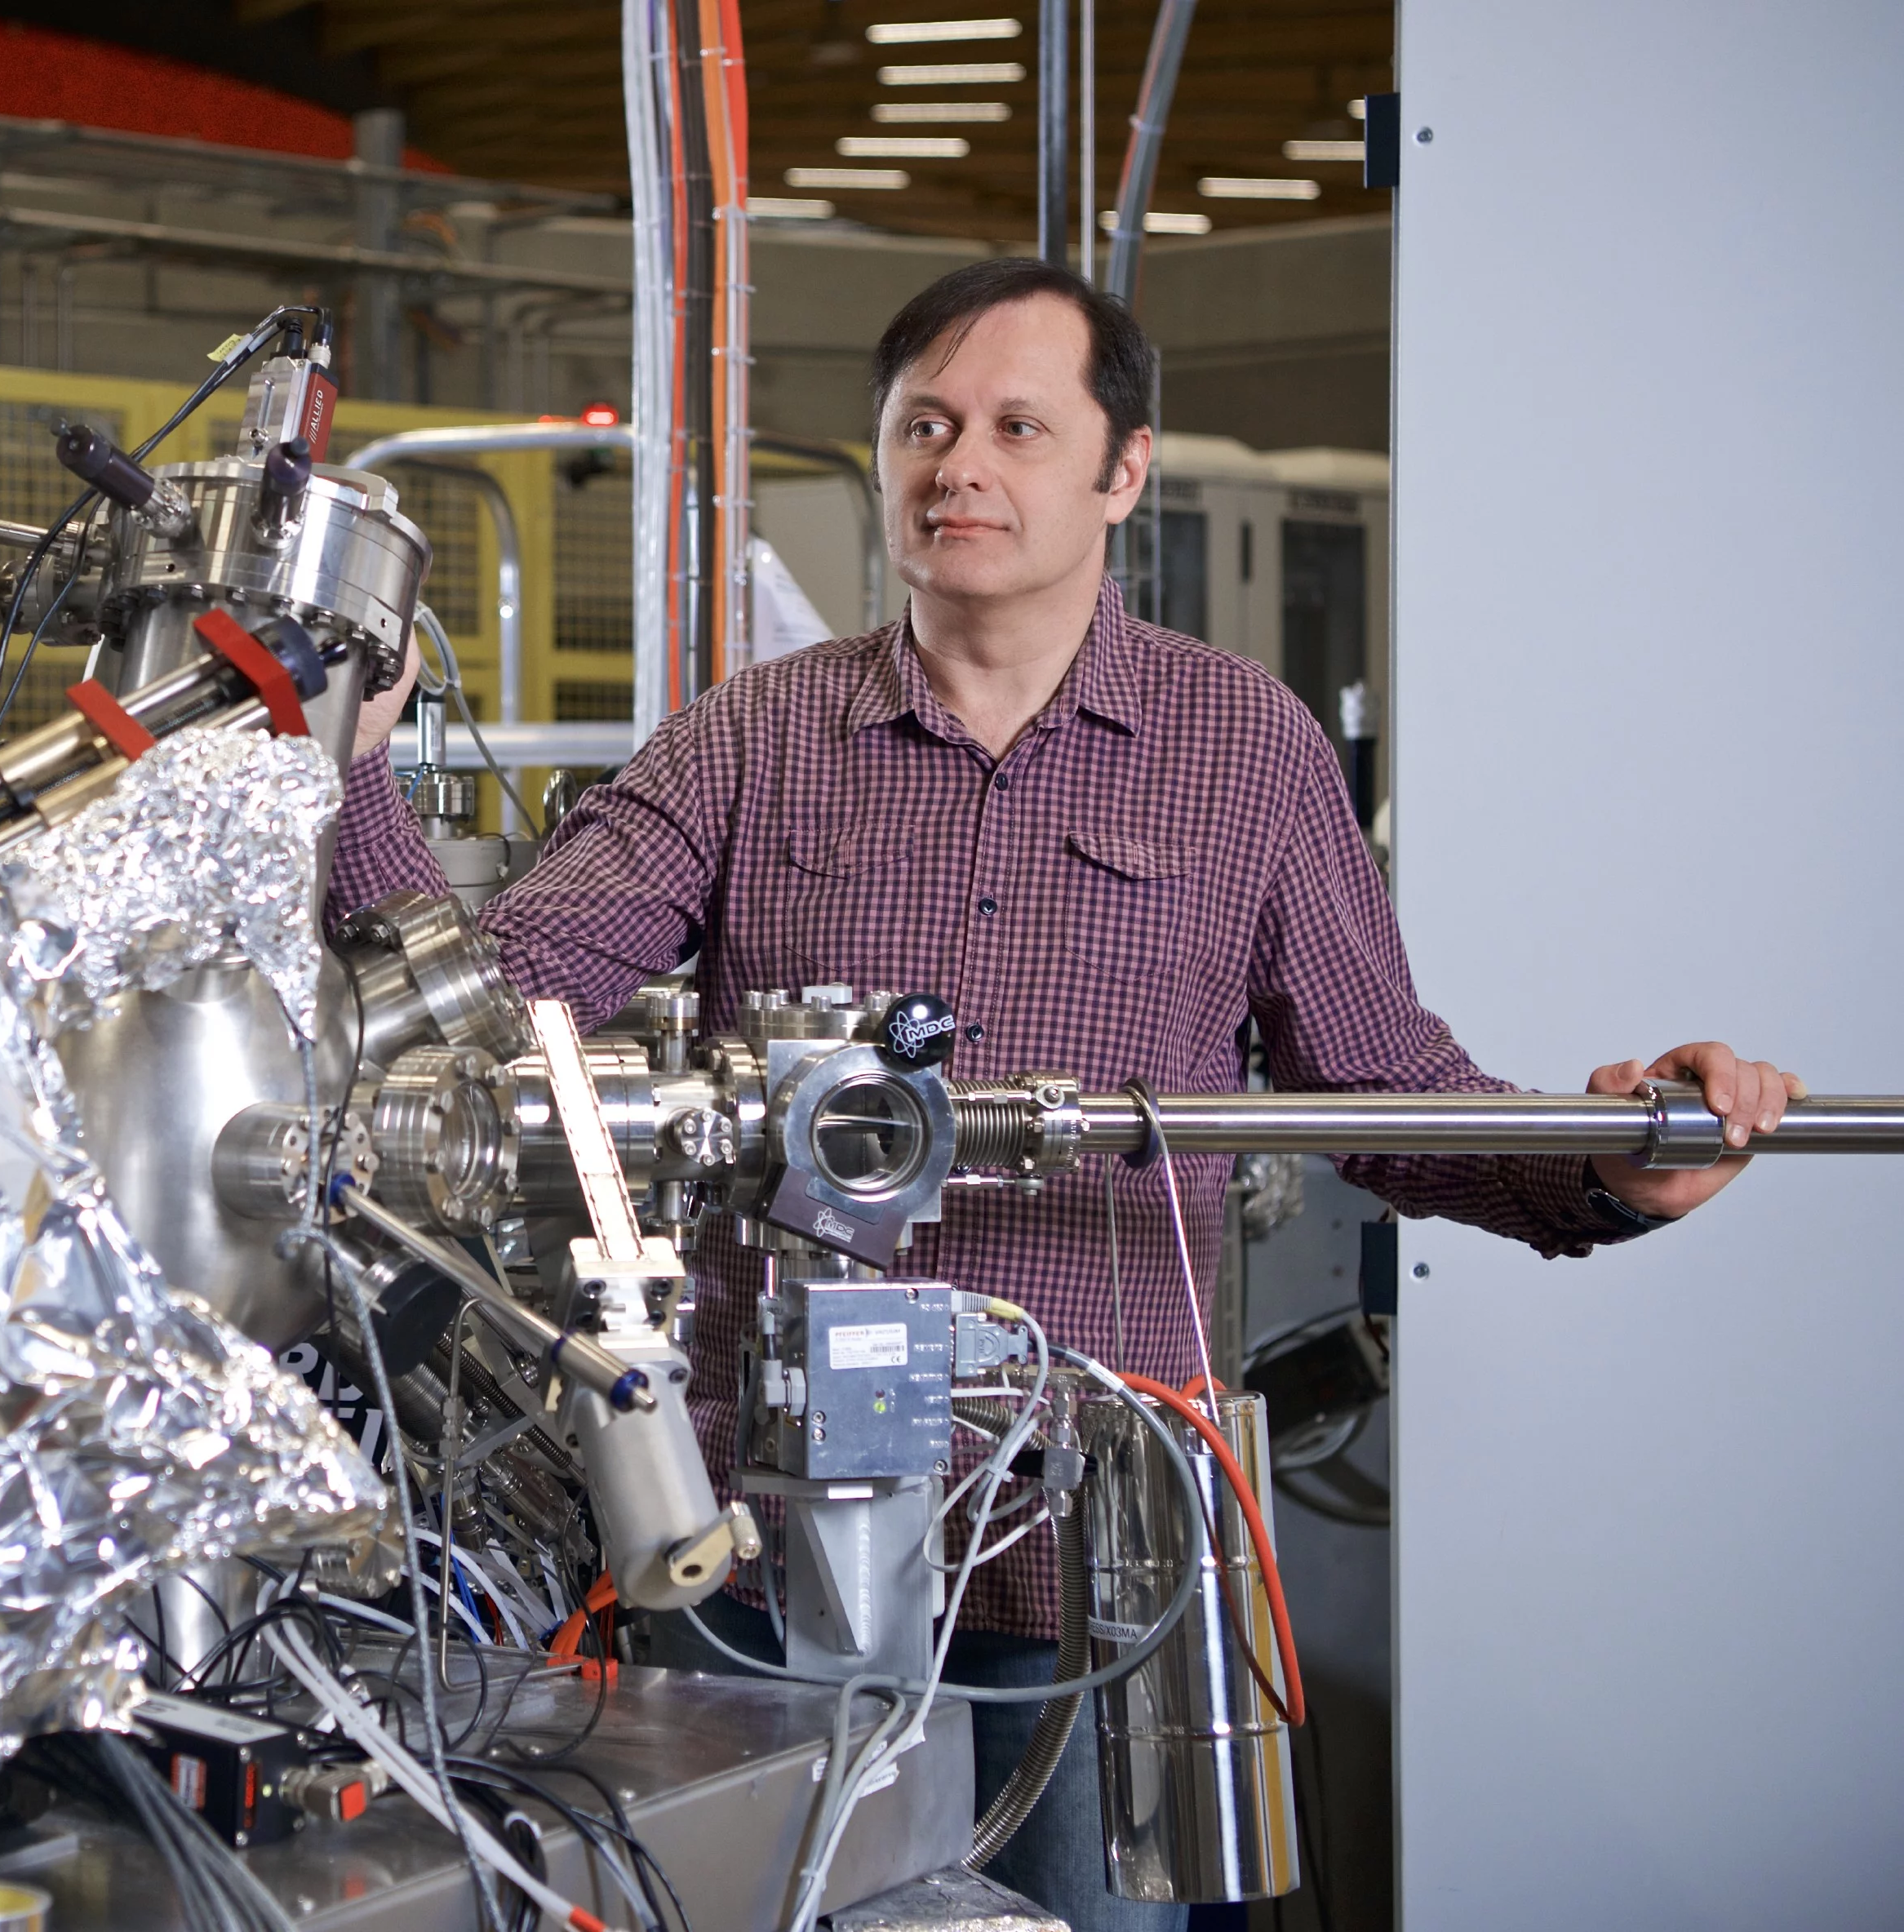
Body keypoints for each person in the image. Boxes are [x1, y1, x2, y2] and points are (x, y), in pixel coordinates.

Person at [325, 257, 1800, 1930]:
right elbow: (491, 1007)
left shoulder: (1239, 747)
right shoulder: (748, 739)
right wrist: (355, 763)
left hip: (1094, 1550)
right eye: (926, 427)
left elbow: (1380, 1085)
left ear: (1121, 470)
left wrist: (1604, 1165)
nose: (961, 467)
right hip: (777, 1555)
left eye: (1019, 427)